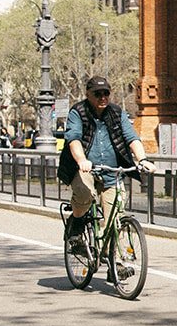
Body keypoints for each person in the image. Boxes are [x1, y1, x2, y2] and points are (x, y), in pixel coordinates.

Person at [59, 76, 155, 244]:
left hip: (112, 171)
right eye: (97, 94)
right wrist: (82, 160)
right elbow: (73, 139)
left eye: (106, 93)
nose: (102, 97)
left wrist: (143, 160)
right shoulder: (78, 112)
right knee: (84, 194)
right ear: (88, 94)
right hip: (85, 169)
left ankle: (117, 264)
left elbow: (131, 137)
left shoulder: (116, 113)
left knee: (116, 216)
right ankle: (76, 223)